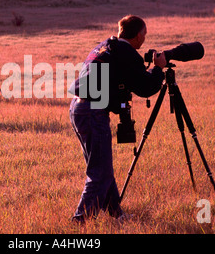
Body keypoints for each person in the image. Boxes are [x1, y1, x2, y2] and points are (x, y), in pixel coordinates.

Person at [67, 15, 167, 224]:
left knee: (102, 166)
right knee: (100, 171)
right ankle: (80, 221)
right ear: (139, 35)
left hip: (78, 107)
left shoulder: (105, 47)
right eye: (145, 34)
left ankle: (116, 214)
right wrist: (158, 69)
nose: (145, 39)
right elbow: (145, 88)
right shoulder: (127, 53)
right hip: (93, 111)